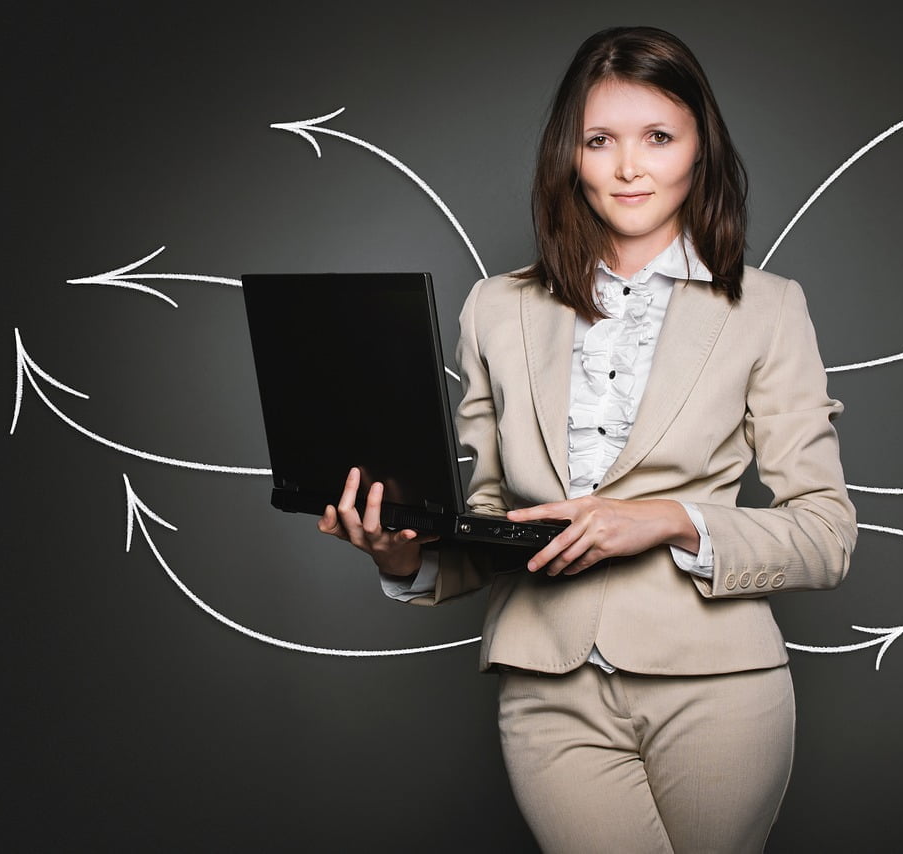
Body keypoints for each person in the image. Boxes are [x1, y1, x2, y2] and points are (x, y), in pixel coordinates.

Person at [318, 25, 856, 854]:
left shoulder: (769, 308)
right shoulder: (495, 309)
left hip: (719, 684)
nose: (628, 166)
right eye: (600, 140)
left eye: (659, 138)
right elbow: (496, 519)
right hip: (546, 680)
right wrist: (402, 556)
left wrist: (671, 518)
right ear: (569, 155)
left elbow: (826, 534)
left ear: (700, 150)